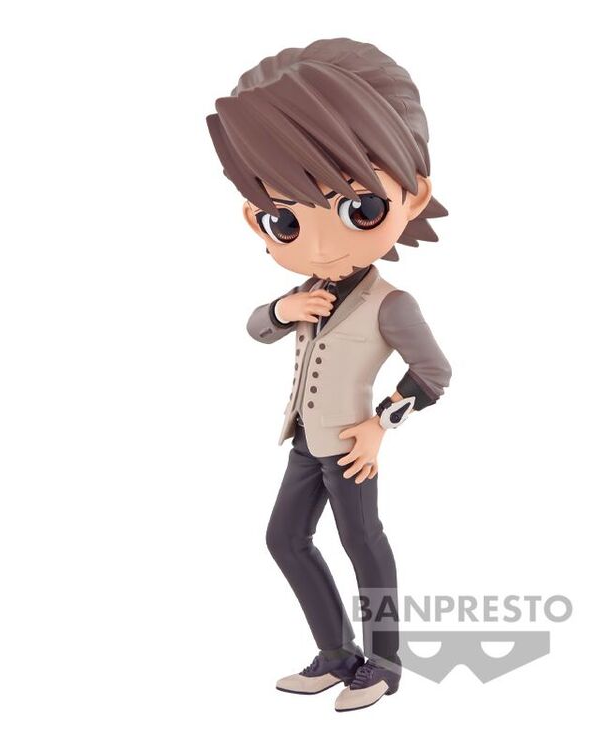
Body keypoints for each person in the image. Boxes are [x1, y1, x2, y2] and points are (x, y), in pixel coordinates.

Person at [206, 38, 451, 712]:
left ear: (412, 195)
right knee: (284, 539)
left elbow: (434, 371)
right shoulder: (307, 291)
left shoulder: (389, 304)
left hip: (348, 446)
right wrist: (281, 310)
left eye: (357, 209)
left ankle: (384, 663)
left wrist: (379, 426)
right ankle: (336, 654)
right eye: (284, 220)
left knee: (363, 545)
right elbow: (257, 329)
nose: (317, 244)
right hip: (304, 443)